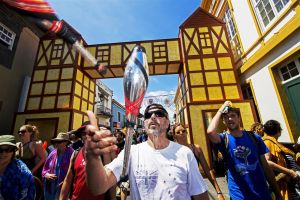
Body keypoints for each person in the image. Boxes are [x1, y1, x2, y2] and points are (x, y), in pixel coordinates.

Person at [85, 103, 209, 200]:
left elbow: (200, 195)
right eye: (148, 115)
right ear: (144, 124)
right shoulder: (131, 152)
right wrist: (92, 157)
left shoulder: (184, 153)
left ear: (167, 123)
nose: (153, 116)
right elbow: (99, 187)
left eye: (159, 113)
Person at [207, 101, 282, 200]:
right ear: (223, 121)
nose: (230, 119)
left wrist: (278, 193)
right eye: (226, 117)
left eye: (233, 115)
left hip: (262, 193)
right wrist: (222, 108)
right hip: (239, 195)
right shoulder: (223, 139)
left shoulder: (254, 137)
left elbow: (265, 167)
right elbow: (211, 132)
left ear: (239, 118)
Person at [60, 121, 116, 200]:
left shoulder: (104, 154)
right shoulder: (75, 154)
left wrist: (113, 198)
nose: (87, 136)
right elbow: (67, 180)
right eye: (83, 133)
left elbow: (111, 181)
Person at [173, 123, 225, 200]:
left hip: (197, 190)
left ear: (187, 132)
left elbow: (208, 171)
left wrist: (219, 192)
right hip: (181, 192)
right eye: (178, 132)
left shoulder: (196, 149)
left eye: (183, 131)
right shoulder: (173, 153)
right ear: (174, 136)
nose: (182, 133)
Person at [263, 120, 300, 200]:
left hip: (290, 184)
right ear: (279, 131)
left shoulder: (276, 143)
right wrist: (289, 171)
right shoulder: (268, 143)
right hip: (281, 185)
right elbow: (267, 162)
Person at [0, 135, 35, 199]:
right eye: (0, 149)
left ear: (14, 151)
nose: (3, 153)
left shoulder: (23, 173)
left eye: (8, 149)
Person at [42, 132, 74, 200]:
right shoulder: (52, 153)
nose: (57, 143)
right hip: (51, 186)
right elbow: (45, 168)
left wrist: (66, 182)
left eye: (59, 141)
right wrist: (46, 175)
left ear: (66, 142)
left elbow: (74, 171)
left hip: (64, 187)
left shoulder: (72, 153)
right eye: (56, 141)